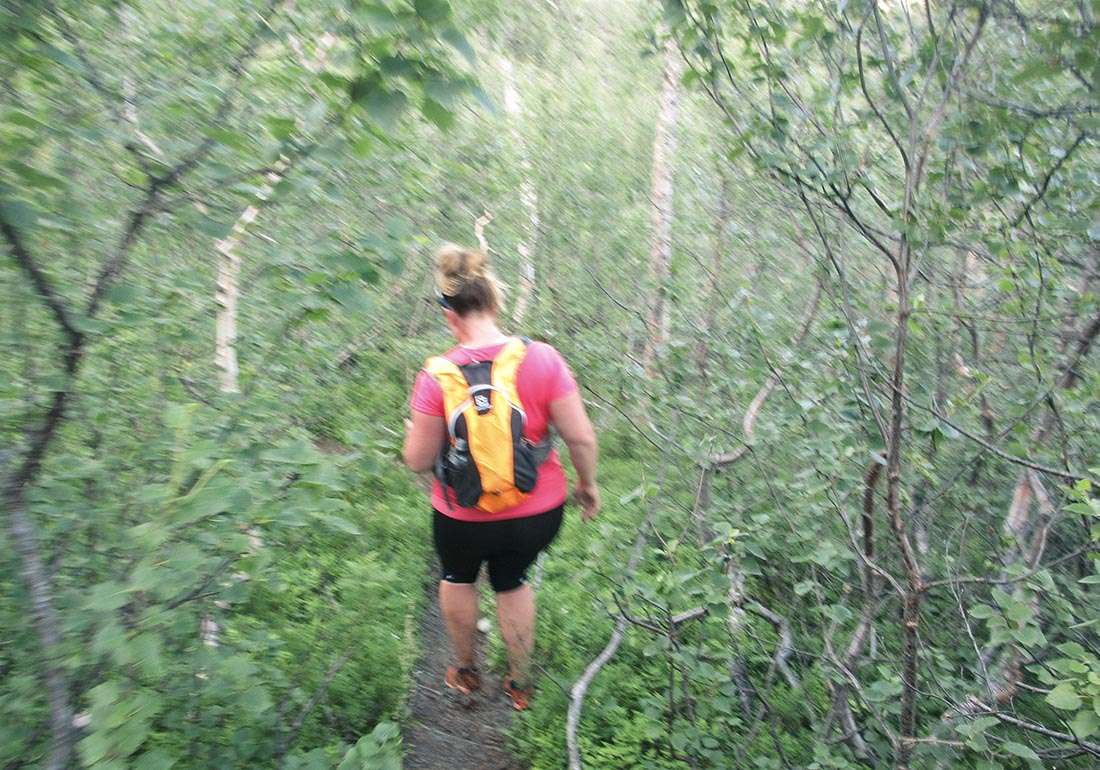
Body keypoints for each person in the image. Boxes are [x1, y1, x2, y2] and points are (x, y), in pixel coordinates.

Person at [402, 244, 600, 711]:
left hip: (462, 515)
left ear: (450, 317)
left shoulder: (436, 375)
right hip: (536, 510)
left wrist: (415, 432)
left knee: (457, 577)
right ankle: (519, 684)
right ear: (495, 301)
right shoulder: (544, 359)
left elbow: (416, 460)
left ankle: (466, 670)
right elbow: (582, 438)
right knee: (512, 581)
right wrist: (587, 485)